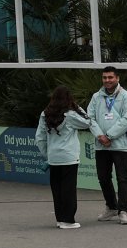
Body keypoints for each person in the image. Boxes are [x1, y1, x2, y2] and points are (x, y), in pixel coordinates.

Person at [85, 65, 127, 225]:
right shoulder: (96, 97)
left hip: (121, 145)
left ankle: (123, 211)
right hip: (102, 145)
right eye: (105, 78)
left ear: (117, 78)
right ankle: (112, 207)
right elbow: (89, 118)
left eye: (110, 77)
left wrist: (109, 136)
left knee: (123, 178)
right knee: (103, 178)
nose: (107, 80)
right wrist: (100, 136)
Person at [36, 85, 92, 229]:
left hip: (53, 157)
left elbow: (40, 138)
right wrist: (77, 107)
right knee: (68, 189)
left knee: (57, 189)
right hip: (69, 157)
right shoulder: (71, 115)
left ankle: (60, 218)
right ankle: (68, 220)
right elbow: (87, 121)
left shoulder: (45, 114)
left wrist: (47, 155)